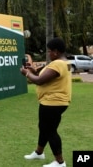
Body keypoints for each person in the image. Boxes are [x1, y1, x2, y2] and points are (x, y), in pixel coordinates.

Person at [20, 38, 71, 167]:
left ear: (56, 52)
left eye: (49, 51)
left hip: (53, 103)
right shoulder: (65, 63)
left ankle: (60, 162)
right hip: (54, 102)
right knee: (44, 128)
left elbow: (39, 80)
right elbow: (43, 75)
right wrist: (33, 70)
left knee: (50, 131)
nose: (48, 53)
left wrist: (26, 73)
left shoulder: (57, 64)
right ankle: (39, 152)